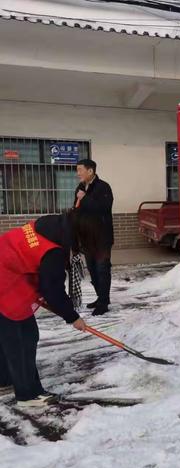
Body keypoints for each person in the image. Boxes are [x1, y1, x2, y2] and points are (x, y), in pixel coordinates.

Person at [0, 211, 102, 407]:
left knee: (9, 335)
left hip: (8, 271)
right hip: (5, 283)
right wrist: (72, 317)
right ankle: (27, 395)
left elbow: (38, 270)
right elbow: (52, 290)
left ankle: (5, 379)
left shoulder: (52, 226)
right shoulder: (53, 251)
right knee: (24, 338)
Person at [74, 159, 114, 316]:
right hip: (87, 238)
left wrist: (85, 198)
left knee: (102, 269)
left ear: (90, 171)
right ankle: (100, 297)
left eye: (80, 170)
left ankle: (103, 303)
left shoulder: (103, 187)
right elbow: (77, 209)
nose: (78, 174)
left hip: (102, 238)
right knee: (92, 270)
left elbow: (104, 209)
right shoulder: (80, 187)